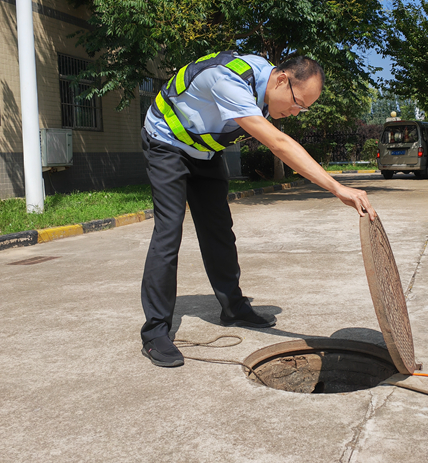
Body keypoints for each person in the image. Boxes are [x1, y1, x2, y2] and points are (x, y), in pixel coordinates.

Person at [140, 51, 376, 367]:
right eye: (298, 103)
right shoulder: (229, 80)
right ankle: (155, 332)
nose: (296, 113)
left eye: (303, 108)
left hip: (204, 152)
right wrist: (337, 188)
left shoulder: (266, 87)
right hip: (166, 142)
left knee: (219, 230)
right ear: (281, 80)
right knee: (169, 231)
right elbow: (278, 144)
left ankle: (233, 308)